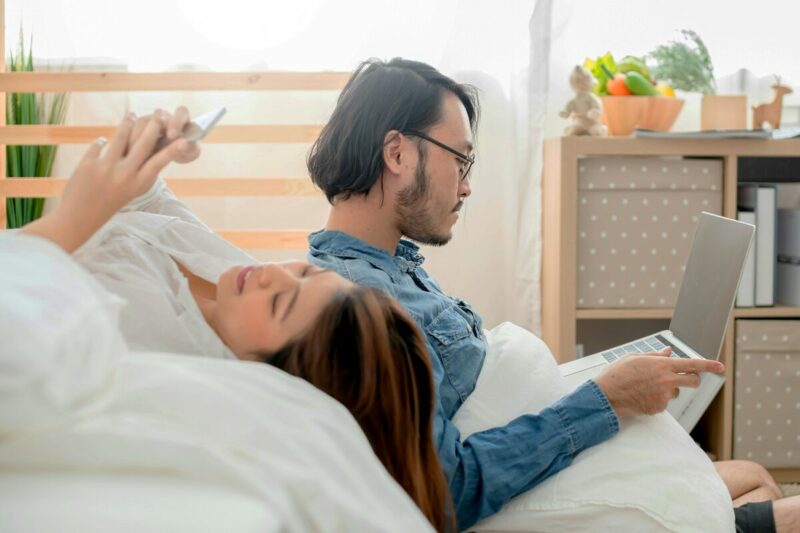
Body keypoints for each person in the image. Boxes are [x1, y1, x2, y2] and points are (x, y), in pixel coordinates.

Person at [306, 57, 800, 533]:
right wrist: (606, 398)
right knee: (761, 492)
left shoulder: (388, 265)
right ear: (397, 154)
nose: (467, 186)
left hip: (562, 458)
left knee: (753, 477)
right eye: (460, 161)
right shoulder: (365, 303)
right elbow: (444, 489)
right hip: (549, 484)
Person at [19, 108, 451, 532]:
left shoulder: (154, 344)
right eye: (305, 272)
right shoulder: (234, 278)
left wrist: (68, 224)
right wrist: (152, 152)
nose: (273, 273)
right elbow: (150, 201)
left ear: (275, 375)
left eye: (280, 303)